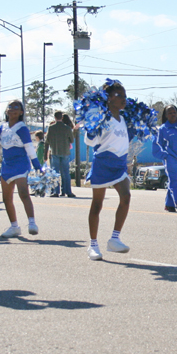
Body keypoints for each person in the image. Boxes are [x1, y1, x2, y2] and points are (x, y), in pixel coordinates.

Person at [83, 79, 134, 260]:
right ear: (108, 98)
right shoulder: (102, 117)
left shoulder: (123, 119)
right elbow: (90, 142)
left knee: (126, 197)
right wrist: (90, 132)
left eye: (125, 95)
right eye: (119, 95)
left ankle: (114, 239)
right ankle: (93, 244)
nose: (123, 99)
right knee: (97, 205)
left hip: (119, 165)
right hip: (103, 163)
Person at [0, 100, 42, 238]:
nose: (12, 109)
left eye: (16, 107)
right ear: (6, 111)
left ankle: (32, 222)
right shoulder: (2, 127)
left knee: (23, 193)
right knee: (6, 198)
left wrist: (36, 164)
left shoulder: (22, 128)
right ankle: (14, 227)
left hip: (20, 164)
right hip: (6, 165)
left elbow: (29, 147)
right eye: (10, 107)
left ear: (21, 112)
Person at [45, 110, 74, 197]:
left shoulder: (51, 128)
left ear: (55, 117)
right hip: (65, 152)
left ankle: (55, 191)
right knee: (65, 172)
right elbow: (72, 140)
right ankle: (67, 191)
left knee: (55, 172)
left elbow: (47, 140)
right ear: (62, 117)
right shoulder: (67, 128)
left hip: (55, 151)